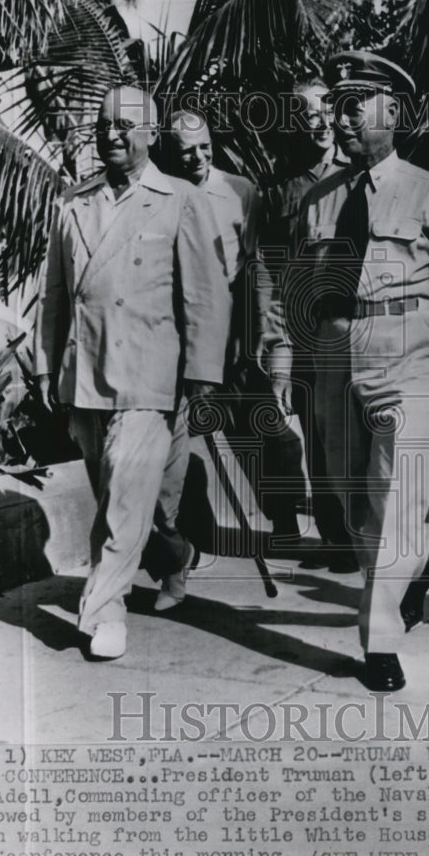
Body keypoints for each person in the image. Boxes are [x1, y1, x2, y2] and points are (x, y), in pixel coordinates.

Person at [286, 50, 429, 691]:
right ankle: (417, 566)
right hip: (334, 352)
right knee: (351, 505)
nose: (340, 119)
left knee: (395, 501)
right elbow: (292, 286)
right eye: (336, 108)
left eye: (354, 107)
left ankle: (378, 639)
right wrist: (283, 357)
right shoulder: (318, 197)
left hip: (408, 353)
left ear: (392, 113)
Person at [33, 85, 230, 657]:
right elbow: (54, 298)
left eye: (125, 124)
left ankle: (103, 613)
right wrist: (49, 369)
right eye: (103, 124)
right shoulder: (73, 202)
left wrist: (202, 373)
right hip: (87, 372)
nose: (112, 134)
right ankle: (176, 555)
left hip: (150, 375)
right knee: (119, 494)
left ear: (150, 134)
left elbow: (205, 294)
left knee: (124, 495)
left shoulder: (177, 199)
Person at [148, 109, 262, 610]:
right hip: (168, 339)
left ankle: (245, 533)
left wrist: (248, 342)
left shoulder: (241, 191)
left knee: (249, 443)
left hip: (228, 338)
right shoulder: (159, 195)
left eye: (203, 146)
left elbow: (254, 274)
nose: (196, 157)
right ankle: (177, 560)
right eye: (184, 150)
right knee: (173, 460)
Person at [259, 81, 357, 573]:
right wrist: (278, 352)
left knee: (360, 434)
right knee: (319, 439)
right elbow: (270, 276)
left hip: (359, 334)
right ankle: (337, 538)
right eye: (304, 112)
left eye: (324, 109)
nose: (316, 120)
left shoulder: (361, 175)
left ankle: (369, 535)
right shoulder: (279, 189)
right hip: (304, 338)